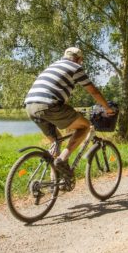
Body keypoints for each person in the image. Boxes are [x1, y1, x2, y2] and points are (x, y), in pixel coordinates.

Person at [24, 47, 115, 180]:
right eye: (81, 60)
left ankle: (54, 181)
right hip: (49, 105)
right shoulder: (75, 67)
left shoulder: (54, 65)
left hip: (30, 106)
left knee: (56, 142)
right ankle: (63, 159)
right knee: (84, 126)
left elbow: (54, 89)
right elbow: (93, 91)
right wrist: (107, 108)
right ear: (79, 59)